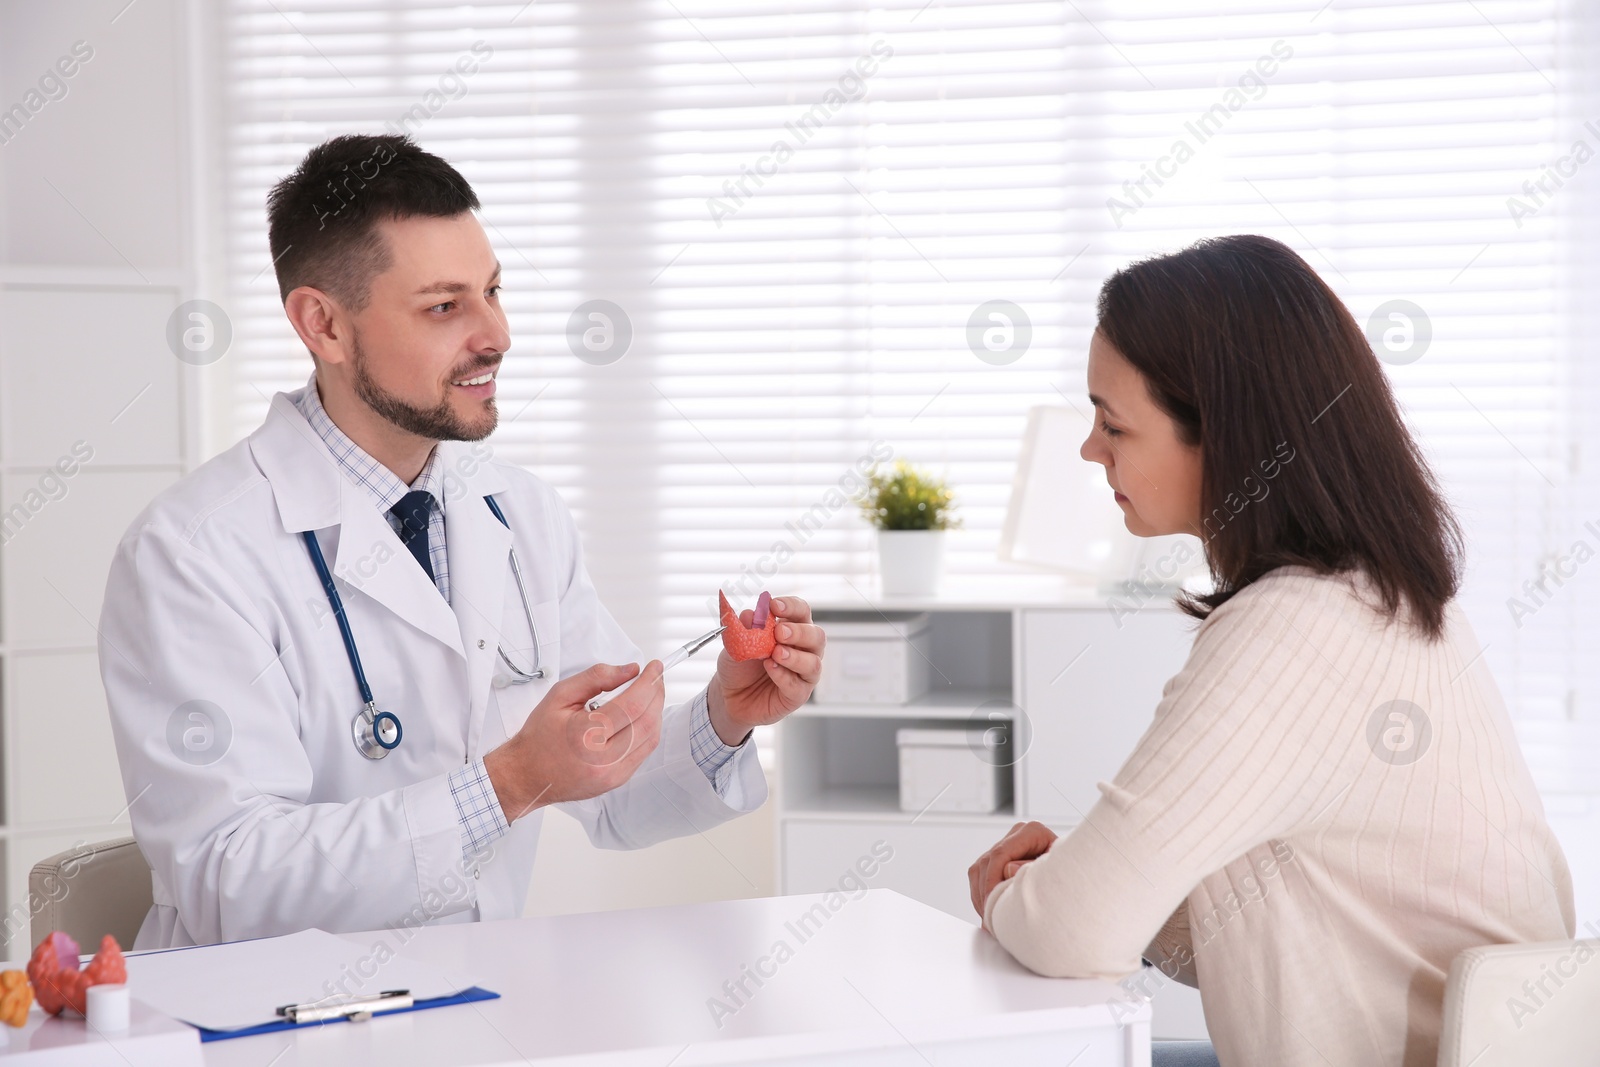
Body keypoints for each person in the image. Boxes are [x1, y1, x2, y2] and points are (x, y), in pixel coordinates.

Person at [100, 134, 825, 949]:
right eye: (445, 307)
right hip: (265, 1021)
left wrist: (725, 715)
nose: (498, 334)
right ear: (323, 325)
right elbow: (231, 883)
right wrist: (506, 782)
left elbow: (611, 792)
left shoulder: (520, 514)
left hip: (468, 996)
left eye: (494, 291)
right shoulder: (193, 553)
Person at [968, 235, 1574, 1067]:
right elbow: (1290, 903)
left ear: (1222, 435)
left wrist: (1012, 897)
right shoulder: (1379, 600)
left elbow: (1074, 935)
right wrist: (1104, 879)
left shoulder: (1293, 631)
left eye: (1114, 424)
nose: (1090, 449)